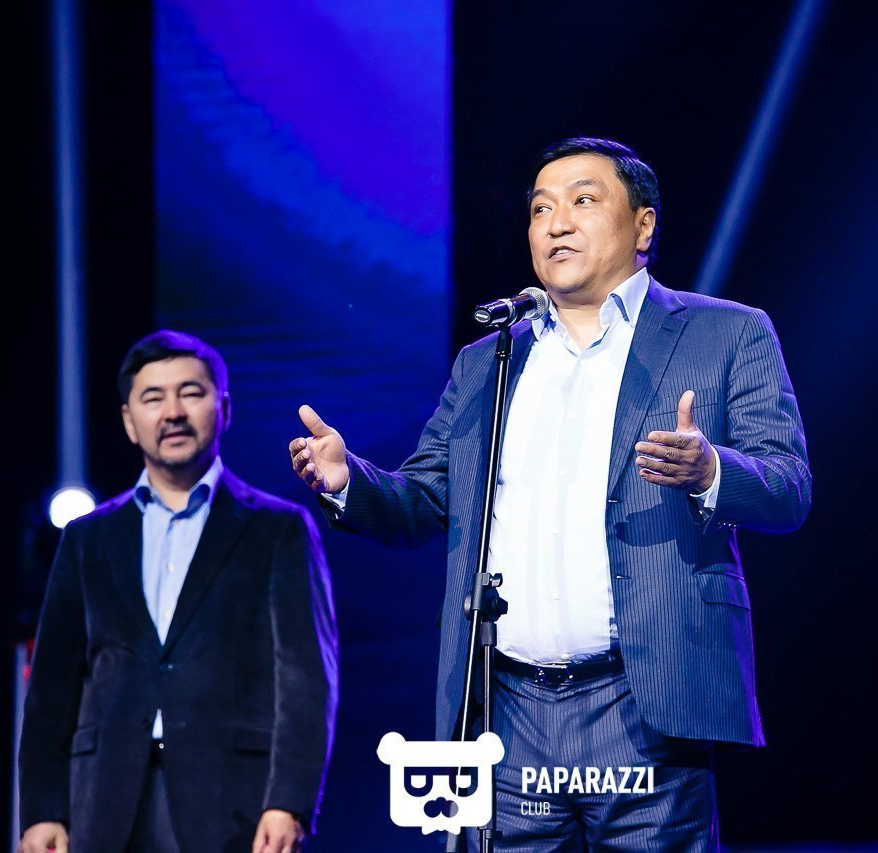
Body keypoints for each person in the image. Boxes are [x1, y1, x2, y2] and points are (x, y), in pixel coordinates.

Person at [289, 137, 810, 849]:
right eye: (540, 209)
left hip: (644, 703)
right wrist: (349, 479)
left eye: (583, 201)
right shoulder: (490, 361)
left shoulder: (727, 334)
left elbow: (788, 485)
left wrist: (710, 469)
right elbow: (426, 500)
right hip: (508, 712)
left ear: (644, 226)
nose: (556, 223)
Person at [20, 330, 337, 853]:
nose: (172, 412)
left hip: (235, 804)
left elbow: (305, 680)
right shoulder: (87, 538)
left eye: (190, 393)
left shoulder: (278, 529)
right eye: (153, 398)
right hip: (102, 802)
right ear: (129, 421)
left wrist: (290, 802)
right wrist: (41, 810)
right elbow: (52, 687)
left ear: (224, 408)